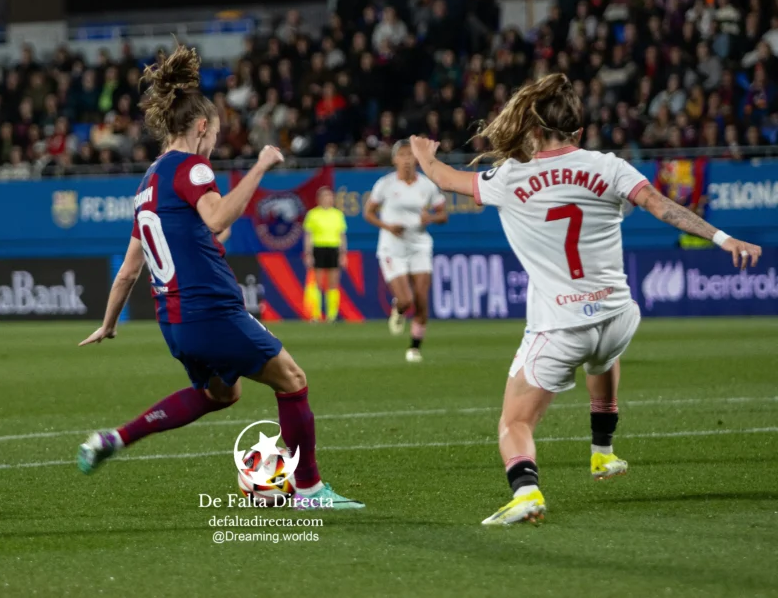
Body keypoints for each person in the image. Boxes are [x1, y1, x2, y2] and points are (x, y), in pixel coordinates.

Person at [407, 73, 762, 525]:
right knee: (602, 356)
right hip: (618, 317)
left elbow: (446, 179)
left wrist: (424, 157)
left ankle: (526, 492)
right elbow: (659, 204)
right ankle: (602, 453)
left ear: (532, 130)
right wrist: (722, 238)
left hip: (561, 326)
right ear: (579, 130)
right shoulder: (610, 166)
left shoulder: (510, 176)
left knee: (514, 423)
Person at [76, 45, 364, 511]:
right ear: (202, 127)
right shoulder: (191, 166)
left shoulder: (147, 182)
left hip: (175, 324)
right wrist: (260, 167)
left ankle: (116, 437)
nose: (212, 146)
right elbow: (214, 217)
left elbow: (131, 267)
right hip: (210, 311)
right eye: (214, 135)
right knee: (292, 379)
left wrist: (109, 323)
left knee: (222, 393)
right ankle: (309, 490)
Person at [364, 140, 448, 362]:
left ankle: (414, 348)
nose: (407, 160)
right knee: (406, 300)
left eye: (410, 155)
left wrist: (430, 217)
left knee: (421, 300)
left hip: (419, 245)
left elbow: (443, 214)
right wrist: (388, 227)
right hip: (392, 247)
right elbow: (369, 213)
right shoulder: (385, 184)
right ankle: (398, 309)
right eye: (402, 155)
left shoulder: (427, 186)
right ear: (394, 159)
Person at [302, 187, 348, 322]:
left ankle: (331, 315)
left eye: (330, 196)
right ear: (319, 199)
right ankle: (315, 315)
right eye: (325, 196)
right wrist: (308, 254)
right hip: (318, 248)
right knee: (316, 282)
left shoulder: (338, 214)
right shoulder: (312, 214)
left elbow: (342, 235)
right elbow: (308, 236)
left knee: (333, 282)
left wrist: (343, 254)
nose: (328, 199)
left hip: (333, 248)